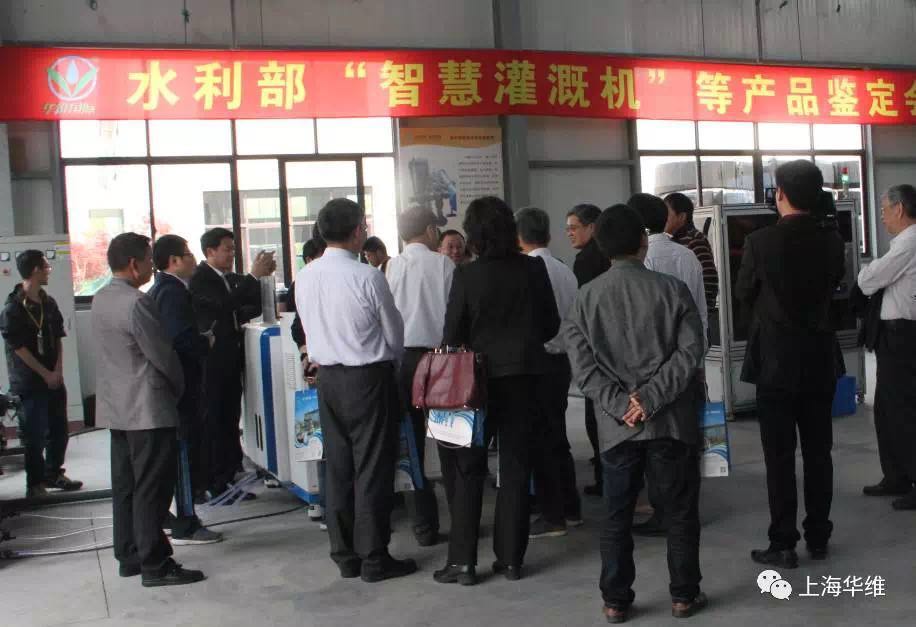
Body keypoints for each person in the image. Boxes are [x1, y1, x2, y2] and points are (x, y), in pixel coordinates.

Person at [563, 205, 707, 623]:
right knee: (679, 512)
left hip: (616, 428)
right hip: (670, 423)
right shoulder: (673, 290)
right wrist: (651, 397)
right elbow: (691, 351)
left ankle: (616, 600)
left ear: (601, 246)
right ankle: (683, 596)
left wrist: (621, 404)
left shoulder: (586, 297)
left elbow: (583, 366)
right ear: (643, 242)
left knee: (616, 515)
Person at [434, 196, 560, 586]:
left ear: (472, 234)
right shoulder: (533, 269)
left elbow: (452, 335)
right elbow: (551, 324)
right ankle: (510, 561)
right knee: (516, 467)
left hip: (476, 383)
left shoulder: (466, 275)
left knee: (469, 468)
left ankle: (462, 563)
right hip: (525, 378)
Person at [295, 198, 416, 583]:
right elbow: (394, 335)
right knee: (373, 469)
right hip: (368, 379)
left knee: (339, 468)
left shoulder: (306, 276)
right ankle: (374, 557)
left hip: (328, 381)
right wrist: (391, 362)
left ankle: (345, 555)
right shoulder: (367, 277)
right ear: (357, 231)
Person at [736, 160, 845, 568]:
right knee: (819, 452)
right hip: (819, 358)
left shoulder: (760, 242)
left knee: (779, 456)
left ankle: (782, 541)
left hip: (775, 363)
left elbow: (744, 293)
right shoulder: (832, 240)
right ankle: (819, 535)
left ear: (779, 193)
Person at [92, 232, 204, 587]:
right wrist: (178, 388)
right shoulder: (137, 303)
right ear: (133, 264)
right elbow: (162, 356)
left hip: (117, 408)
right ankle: (155, 563)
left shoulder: (101, 298)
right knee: (152, 488)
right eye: (147, 258)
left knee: (127, 486)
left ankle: (130, 555)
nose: (150, 266)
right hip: (147, 408)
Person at [626, 195, 707, 539]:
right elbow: (701, 310)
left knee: (655, 444)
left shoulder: (640, 262)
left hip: (651, 369)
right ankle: (686, 510)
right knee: (686, 441)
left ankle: (664, 512)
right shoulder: (687, 255)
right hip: (687, 363)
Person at [385, 205, 455, 547]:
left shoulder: (391, 267)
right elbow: (455, 314)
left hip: (403, 363)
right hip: (441, 360)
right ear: (430, 230)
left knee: (410, 445)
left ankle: (424, 527)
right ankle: (462, 519)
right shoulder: (443, 264)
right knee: (452, 441)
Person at [189, 228, 274, 502]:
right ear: (210, 251)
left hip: (231, 359)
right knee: (215, 420)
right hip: (213, 363)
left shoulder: (229, 279)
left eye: (234, 249)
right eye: (227, 249)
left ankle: (230, 475)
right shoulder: (201, 279)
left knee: (229, 419)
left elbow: (248, 306)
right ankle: (216, 481)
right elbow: (223, 307)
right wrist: (252, 278)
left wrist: (260, 280)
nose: (232, 254)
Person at [148, 235, 223, 545]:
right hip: (182, 386)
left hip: (178, 386)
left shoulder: (164, 290)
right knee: (184, 453)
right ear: (174, 261)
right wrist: (205, 342)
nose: (193, 259)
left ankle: (180, 517)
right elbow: (179, 339)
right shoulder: (171, 292)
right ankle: (186, 523)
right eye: (188, 254)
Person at [515, 207, 582, 539]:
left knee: (540, 440)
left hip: (536, 365)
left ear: (517, 237)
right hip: (561, 363)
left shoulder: (525, 272)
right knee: (557, 436)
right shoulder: (564, 270)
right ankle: (570, 507)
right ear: (549, 234)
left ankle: (552, 513)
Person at [0, 250, 82, 498]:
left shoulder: (49, 303)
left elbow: (57, 338)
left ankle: (53, 473)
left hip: (53, 378)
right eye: (46, 267)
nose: (49, 270)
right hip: (29, 381)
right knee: (34, 435)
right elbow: (19, 349)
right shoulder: (13, 309)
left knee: (59, 430)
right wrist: (45, 374)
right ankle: (35, 483)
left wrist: (57, 371)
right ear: (36, 270)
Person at [857, 184, 916, 510]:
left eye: (883, 209)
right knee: (886, 408)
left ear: (900, 208)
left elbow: (869, 280)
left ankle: (909, 476)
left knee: (903, 409)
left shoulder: (908, 243)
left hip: (903, 336)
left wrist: (865, 271)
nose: (881, 216)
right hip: (894, 336)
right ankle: (895, 475)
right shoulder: (904, 243)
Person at [566, 203, 611, 497]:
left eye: (574, 228)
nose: (569, 233)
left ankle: (604, 478)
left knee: (596, 415)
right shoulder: (610, 255)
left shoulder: (585, 261)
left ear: (592, 227)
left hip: (597, 348)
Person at [664, 192, 719, 335]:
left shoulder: (695, 239)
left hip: (693, 319)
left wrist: (701, 314)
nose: (663, 218)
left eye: (667, 214)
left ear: (682, 217)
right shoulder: (669, 240)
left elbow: (709, 278)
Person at [287, 236, 327, 356]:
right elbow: (295, 322)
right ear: (309, 260)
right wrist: (304, 351)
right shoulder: (299, 284)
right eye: (322, 258)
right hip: (311, 349)